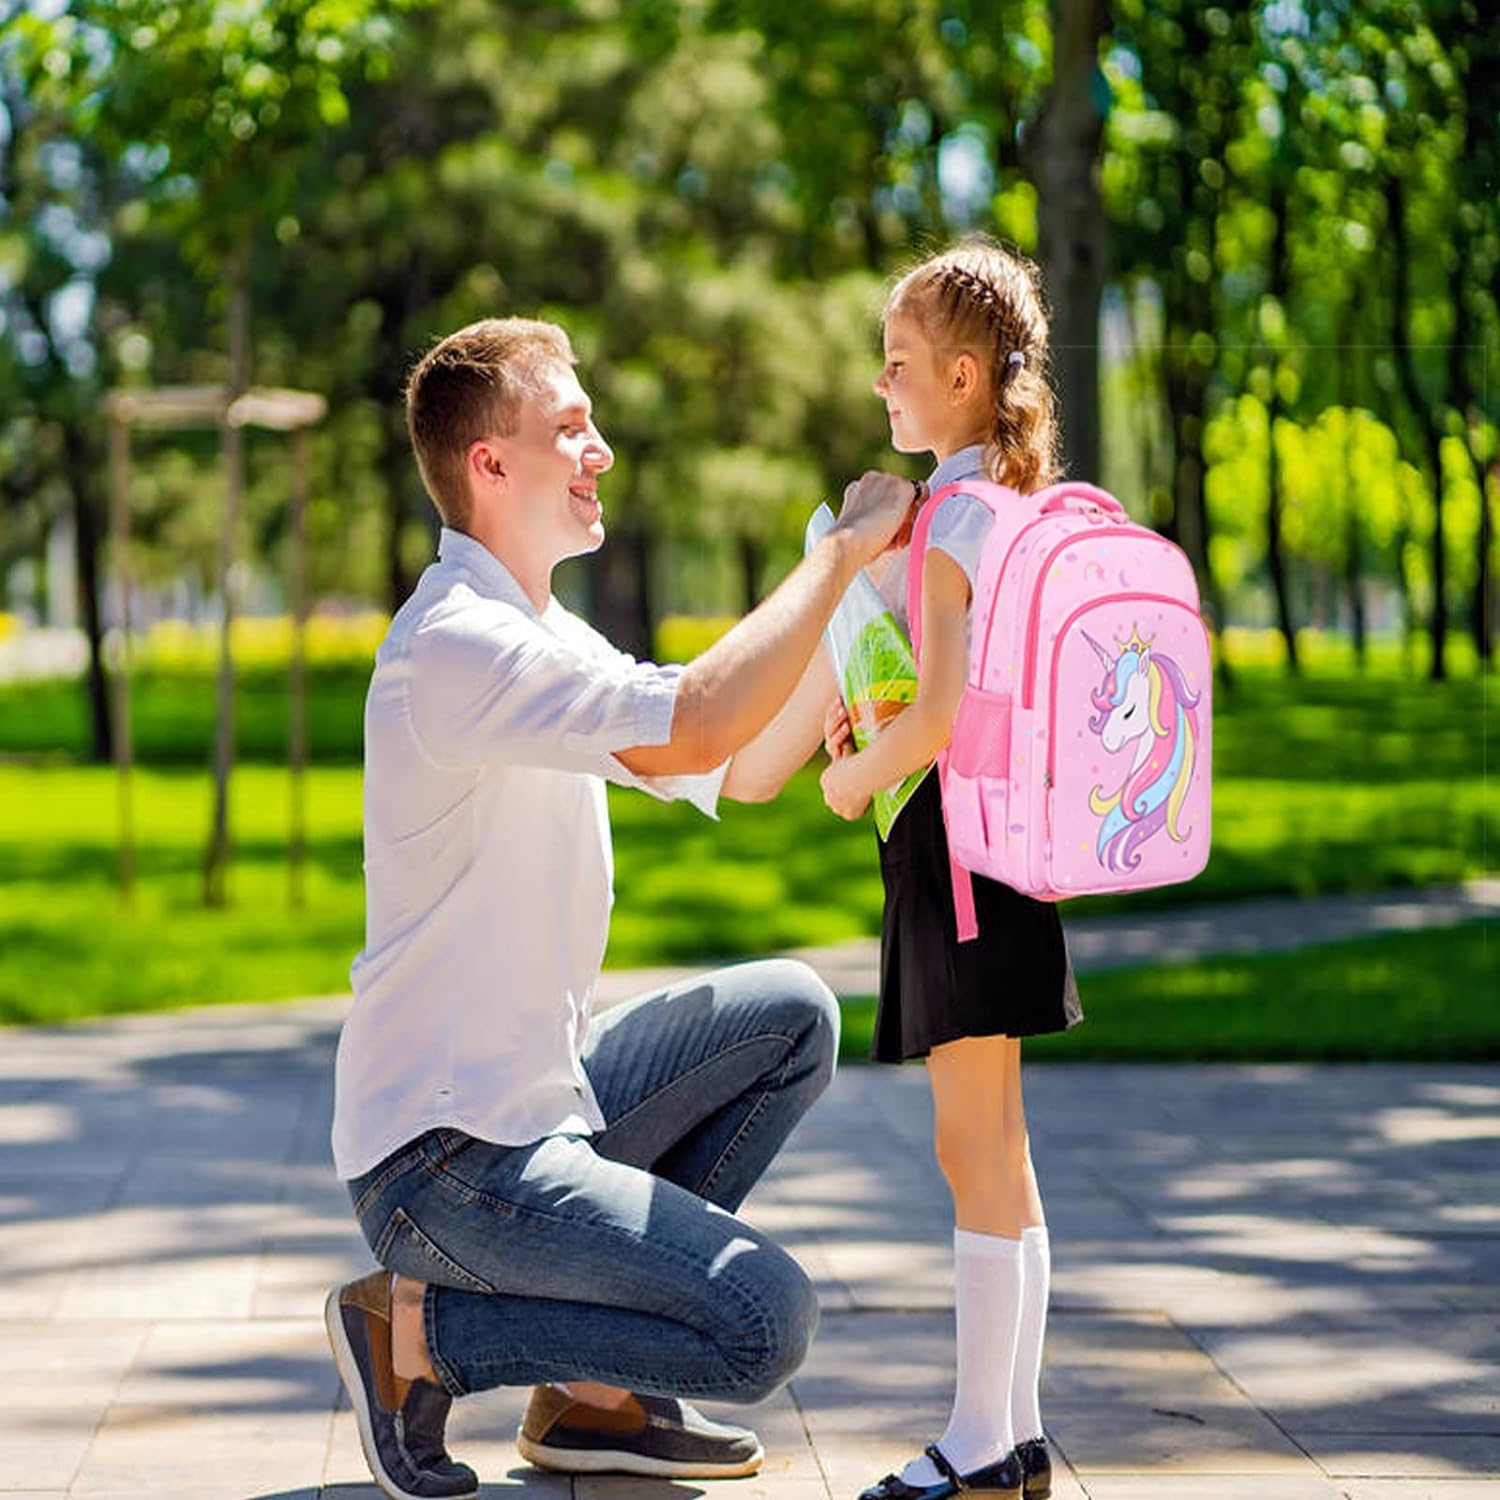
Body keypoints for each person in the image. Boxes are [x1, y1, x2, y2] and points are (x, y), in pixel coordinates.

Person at [323, 315, 919, 1500]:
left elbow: (739, 763)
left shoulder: (545, 634)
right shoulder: (458, 644)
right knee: (762, 1322)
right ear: (490, 465)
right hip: (442, 1160)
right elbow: (700, 715)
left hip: (544, 1106)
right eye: (571, 429)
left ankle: (593, 1397)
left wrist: (864, 628)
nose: (601, 452)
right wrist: (838, 558)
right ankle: (419, 1339)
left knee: (792, 1014)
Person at [735, 240, 1084, 1500]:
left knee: (968, 1147)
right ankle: (1014, 1431)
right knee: (1002, 1145)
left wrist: (845, 775)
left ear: (963, 371)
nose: (882, 387)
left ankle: (981, 1445)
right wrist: (870, 730)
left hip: (953, 853)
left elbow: (935, 717)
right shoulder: (1012, 496)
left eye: (898, 365)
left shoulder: (956, 513)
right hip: (1008, 850)